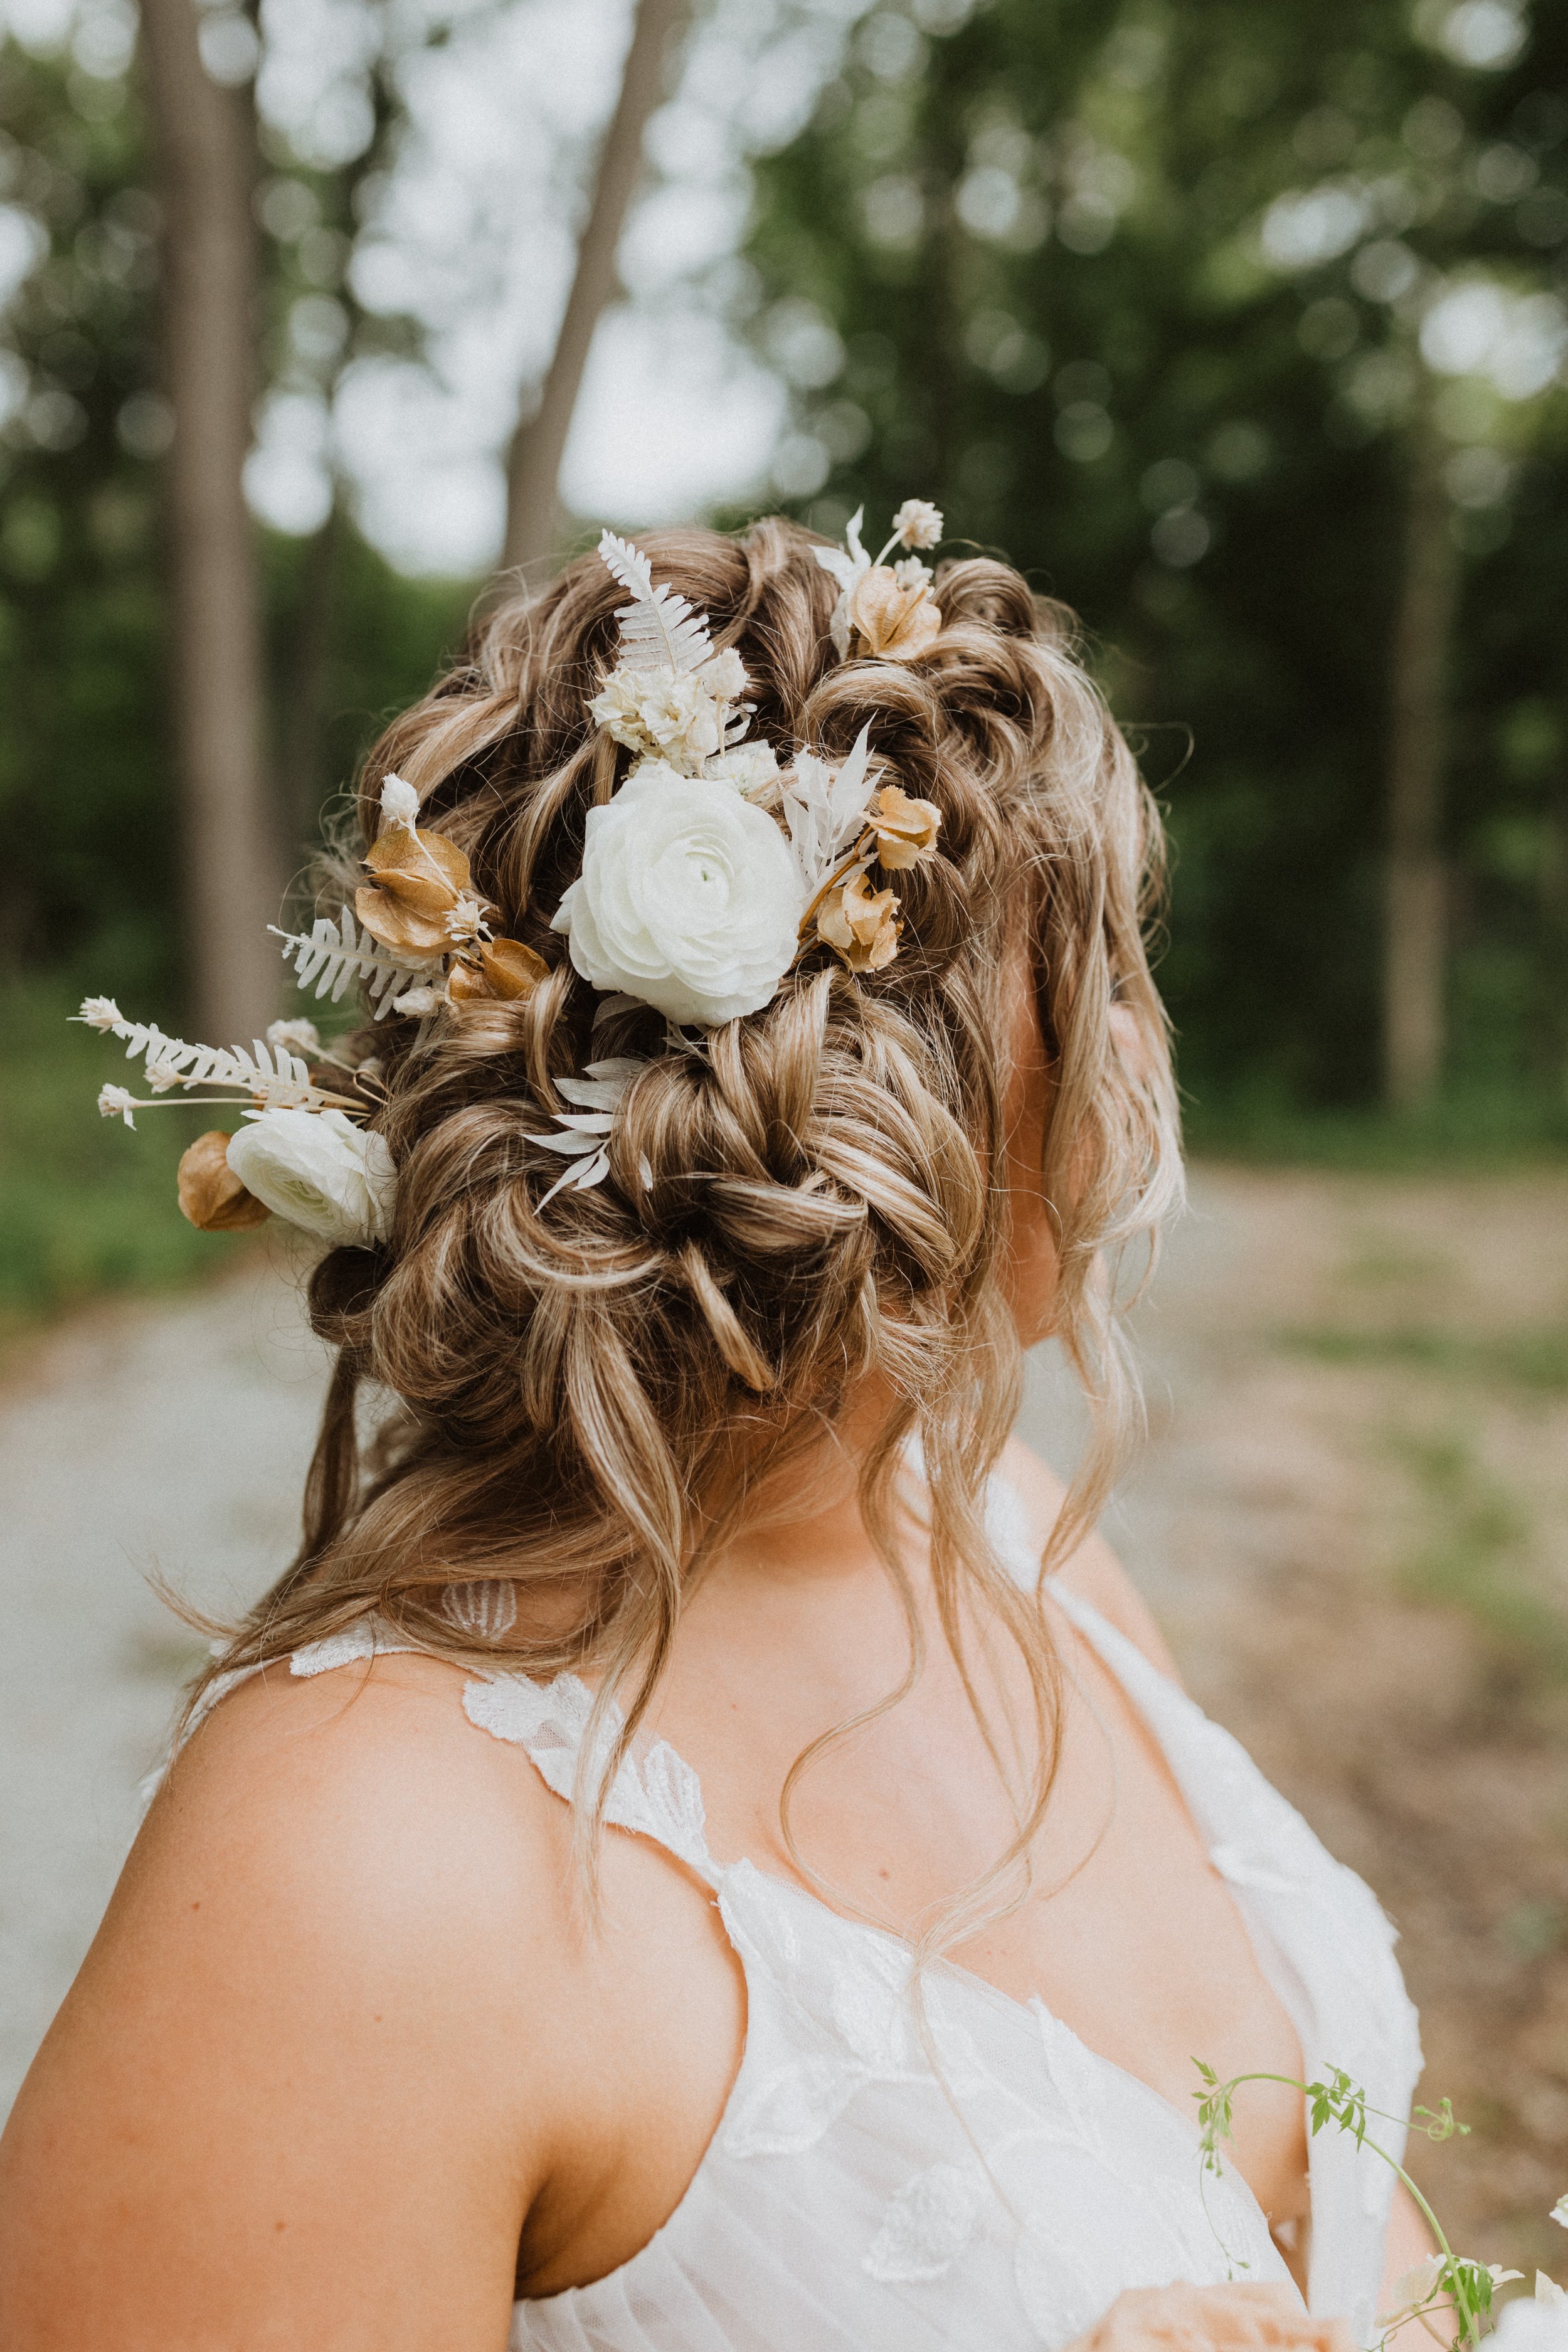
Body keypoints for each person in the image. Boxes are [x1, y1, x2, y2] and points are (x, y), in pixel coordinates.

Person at [0, 509, 1429, 2351]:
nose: (1138, 1055)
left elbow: (1353, 2223)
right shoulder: (359, 1861)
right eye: (1091, 969)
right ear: (887, 1092)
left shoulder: (992, 1530)